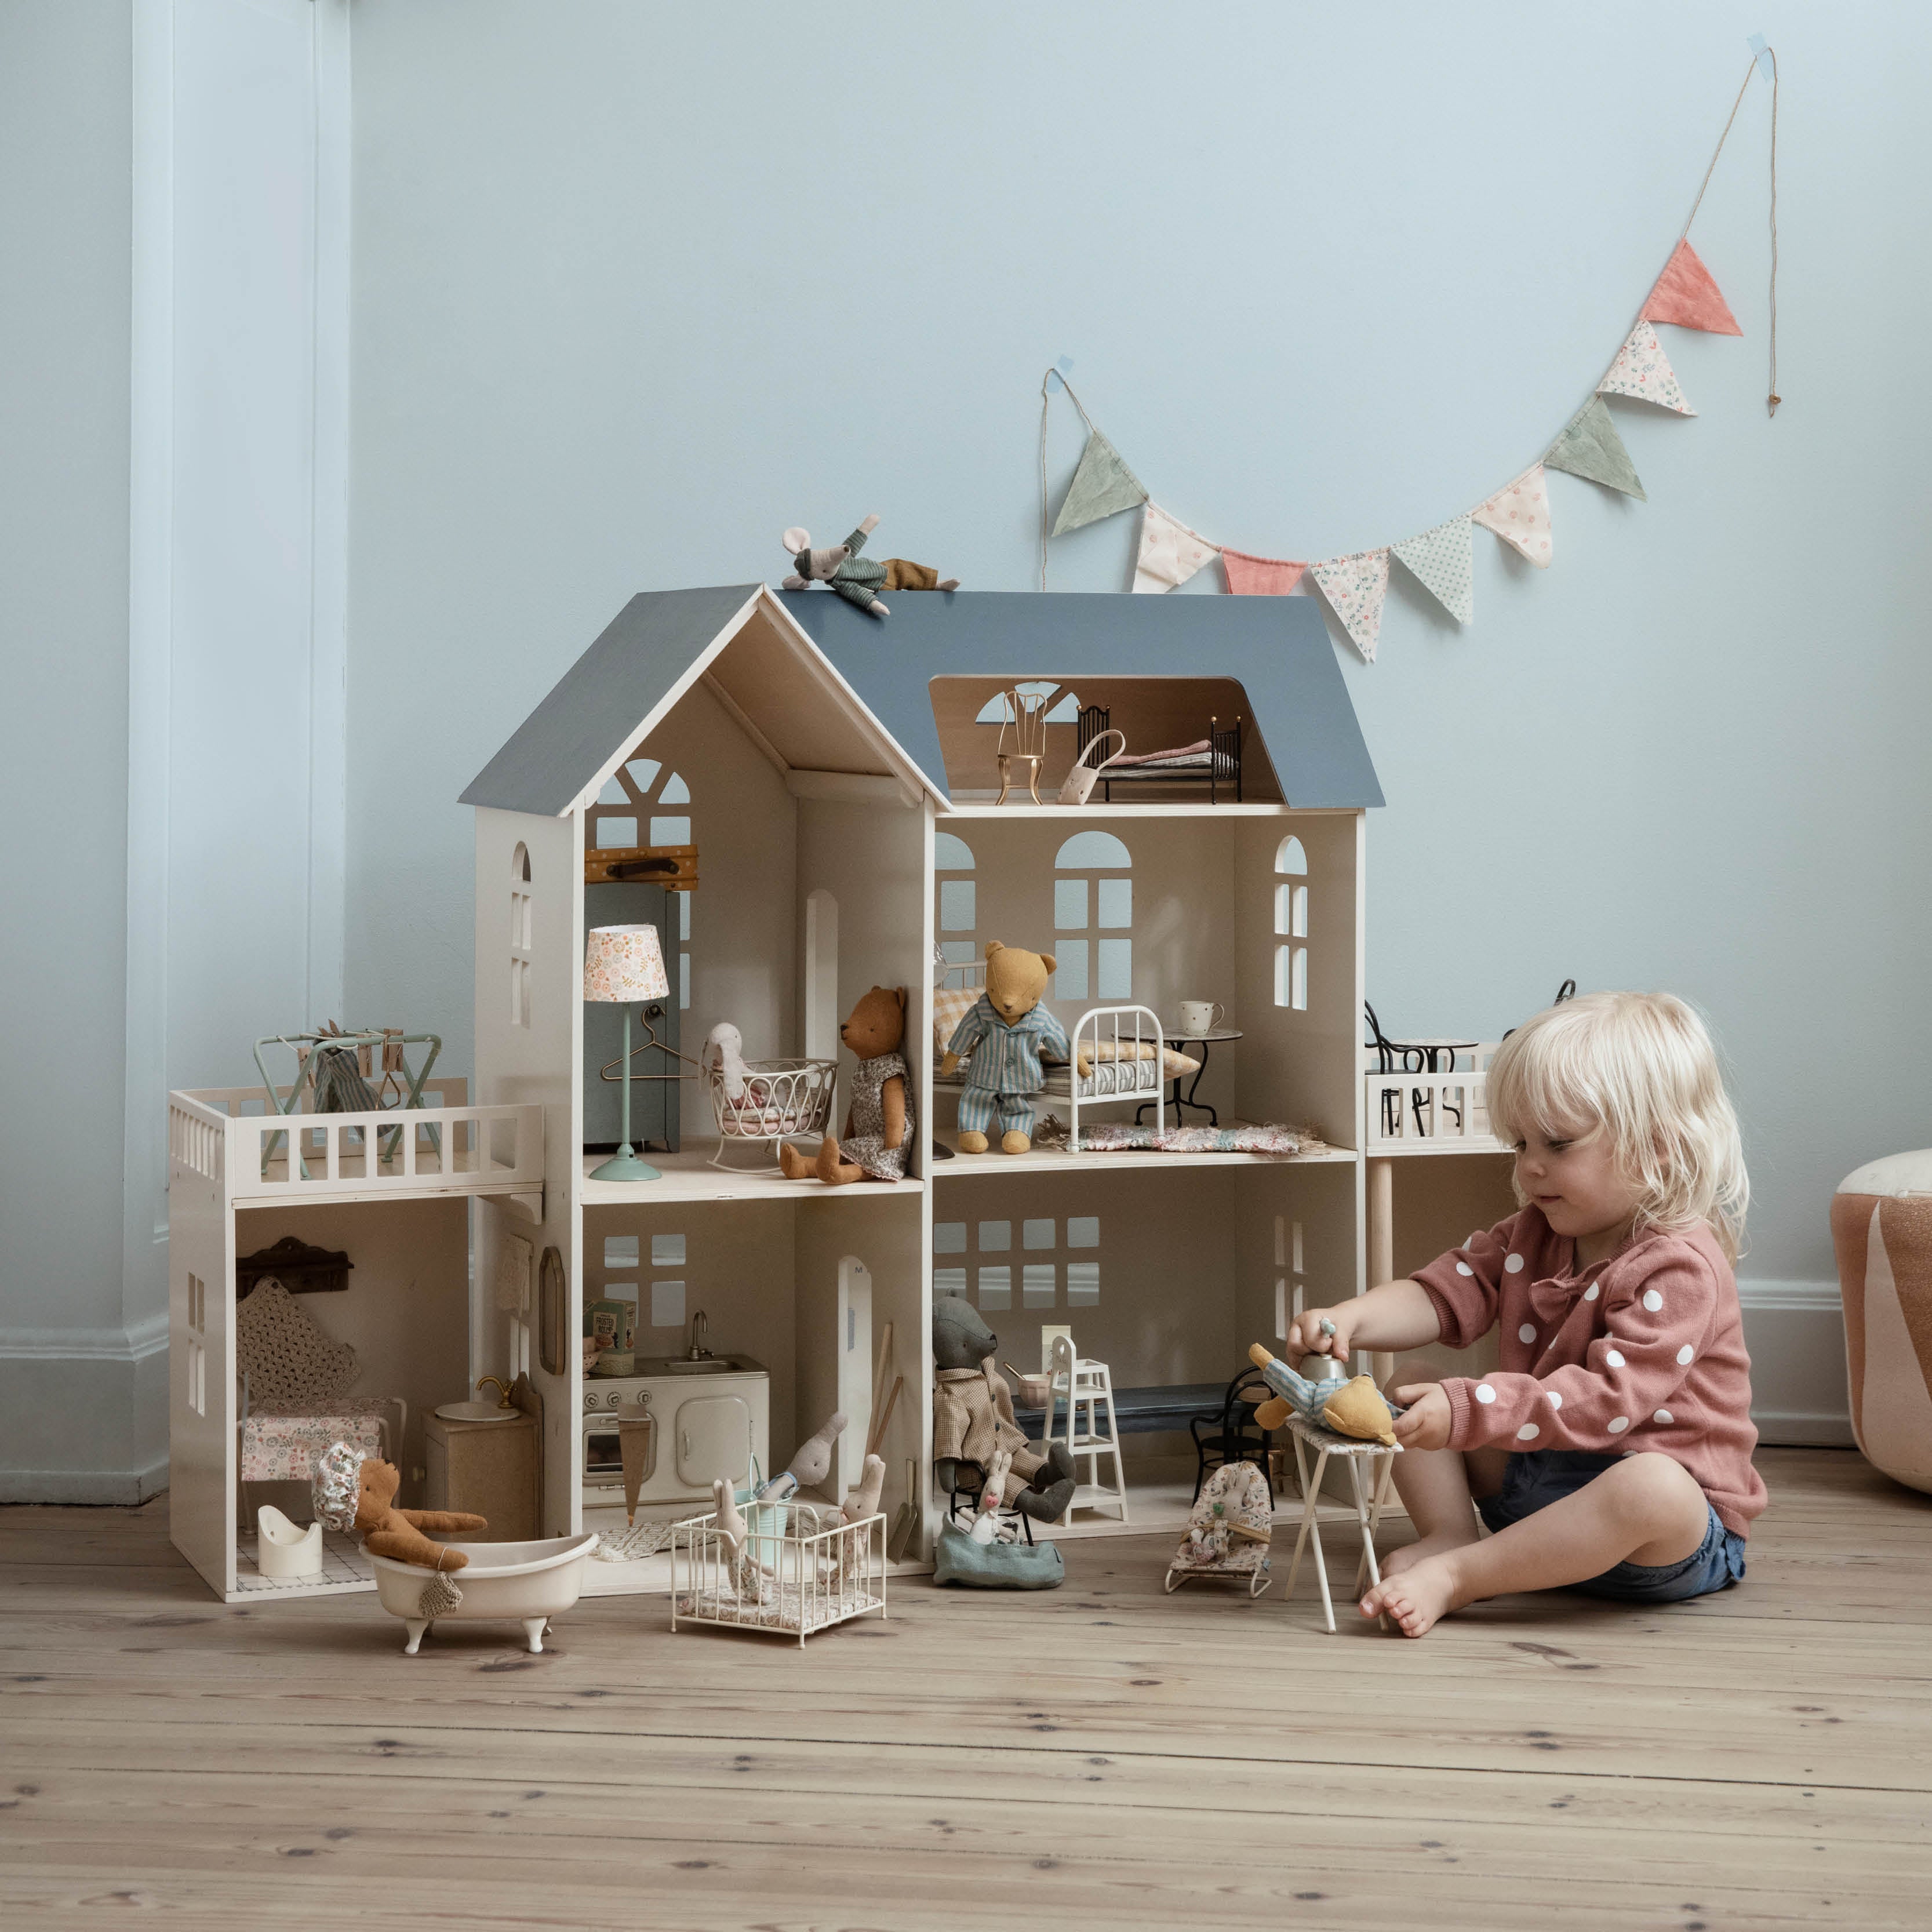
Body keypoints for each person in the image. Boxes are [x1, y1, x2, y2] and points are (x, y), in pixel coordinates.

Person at [1291, 991, 1761, 1637]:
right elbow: (1441, 1292)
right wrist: (1352, 1317)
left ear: (1657, 1147)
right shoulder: (1534, 1233)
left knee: (1654, 1484)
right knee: (1402, 1386)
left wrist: (1468, 1408)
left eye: (1559, 1144)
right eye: (1520, 1143)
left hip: (1660, 1541)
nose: (1530, 1165)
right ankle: (1449, 1537)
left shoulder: (1679, 1266)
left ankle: (1464, 1575)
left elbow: (1607, 1402)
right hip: (1542, 1491)